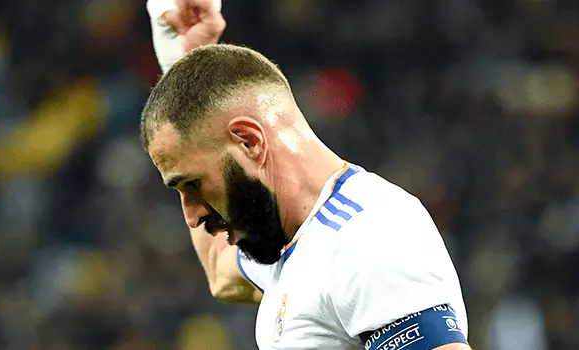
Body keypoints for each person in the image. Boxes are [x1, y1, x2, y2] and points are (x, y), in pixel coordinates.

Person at [142, 0, 471, 349]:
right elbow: (221, 271)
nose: (191, 215)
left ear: (250, 143)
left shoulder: (365, 239)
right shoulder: (290, 237)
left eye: (192, 184)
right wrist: (183, 63)